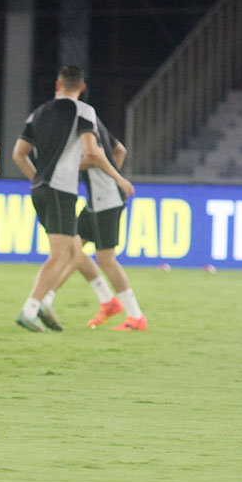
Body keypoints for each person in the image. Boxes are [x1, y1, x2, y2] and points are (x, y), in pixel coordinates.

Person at [10, 65, 132, 333]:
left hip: (39, 190)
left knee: (73, 250)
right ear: (82, 87)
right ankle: (31, 308)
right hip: (60, 191)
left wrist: (37, 180)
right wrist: (118, 178)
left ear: (57, 85)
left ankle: (102, 300)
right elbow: (94, 151)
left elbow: (18, 154)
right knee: (61, 254)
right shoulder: (84, 111)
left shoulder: (38, 113)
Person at [48, 118, 146, 330]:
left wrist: (65, 164)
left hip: (107, 202)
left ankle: (136, 316)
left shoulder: (83, 132)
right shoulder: (95, 126)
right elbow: (120, 150)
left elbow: (92, 157)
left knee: (106, 259)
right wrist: (111, 176)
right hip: (95, 202)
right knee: (72, 248)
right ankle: (108, 302)